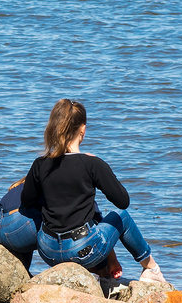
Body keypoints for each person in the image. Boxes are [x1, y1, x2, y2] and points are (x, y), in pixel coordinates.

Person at [20, 99, 166, 282]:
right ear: (83, 129)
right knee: (121, 216)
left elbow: (26, 202)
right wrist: (100, 169)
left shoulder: (40, 164)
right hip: (82, 251)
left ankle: (104, 270)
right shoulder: (91, 164)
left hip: (49, 252)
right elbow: (123, 201)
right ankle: (151, 268)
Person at [0, 178, 42, 271]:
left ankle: (23, 269)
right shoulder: (45, 184)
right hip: (14, 231)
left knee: (29, 216)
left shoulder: (19, 185)